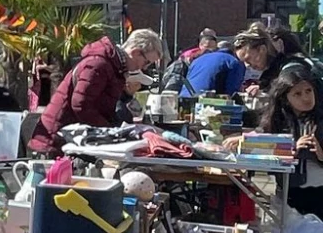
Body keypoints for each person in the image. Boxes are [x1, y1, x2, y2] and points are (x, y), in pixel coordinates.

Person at [26, 28, 165, 151]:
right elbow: (80, 104)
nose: (145, 68)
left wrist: (118, 128)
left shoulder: (113, 67)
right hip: (55, 141)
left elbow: (101, 109)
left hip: (68, 139)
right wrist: (110, 131)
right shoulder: (99, 64)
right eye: (147, 62)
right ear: (135, 52)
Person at [261, 62, 323, 218]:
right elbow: (262, 153)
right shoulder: (276, 123)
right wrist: (291, 149)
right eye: (297, 94)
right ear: (285, 98)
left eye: (309, 91)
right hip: (290, 193)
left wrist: (321, 155)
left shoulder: (320, 120)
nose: (306, 98)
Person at [166, 39, 247, 98]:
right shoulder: (234, 62)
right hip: (206, 104)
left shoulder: (199, 59)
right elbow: (232, 94)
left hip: (183, 99)